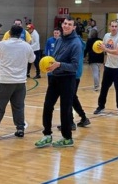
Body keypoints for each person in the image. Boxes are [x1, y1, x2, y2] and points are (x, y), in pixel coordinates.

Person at [34, 16, 82, 148]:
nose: (66, 26)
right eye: (65, 23)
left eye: (69, 24)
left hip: (67, 79)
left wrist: (59, 64)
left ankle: (67, 138)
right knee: (48, 105)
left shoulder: (76, 43)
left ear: (74, 27)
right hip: (55, 77)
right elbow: (54, 58)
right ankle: (47, 135)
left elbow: (74, 66)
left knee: (65, 109)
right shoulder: (59, 39)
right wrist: (49, 64)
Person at [0, 25, 35, 139]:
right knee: (19, 107)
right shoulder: (26, 46)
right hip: (21, 82)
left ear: (9, 33)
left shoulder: (3, 44)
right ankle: (20, 129)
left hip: (5, 81)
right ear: (21, 34)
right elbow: (32, 59)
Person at [93, 20, 118, 117]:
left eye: (116, 26)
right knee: (104, 88)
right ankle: (100, 106)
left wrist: (105, 49)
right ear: (109, 27)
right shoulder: (106, 36)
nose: (114, 28)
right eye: (112, 26)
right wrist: (99, 48)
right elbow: (102, 47)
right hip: (108, 66)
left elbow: (117, 52)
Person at [57, 36, 91, 130]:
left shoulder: (75, 42)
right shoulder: (78, 41)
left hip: (72, 74)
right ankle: (83, 118)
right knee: (72, 97)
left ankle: (70, 122)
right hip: (74, 73)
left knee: (68, 98)